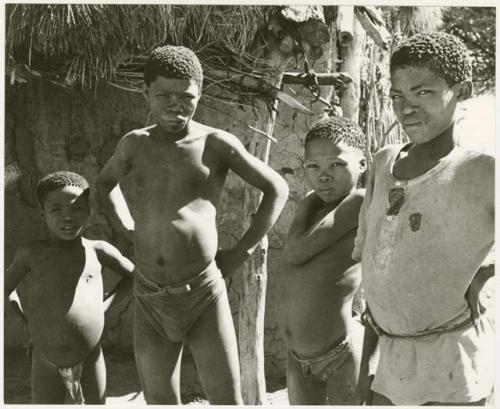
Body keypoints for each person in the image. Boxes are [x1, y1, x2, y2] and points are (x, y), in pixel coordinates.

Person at [96, 45, 289, 404]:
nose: (175, 105)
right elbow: (105, 185)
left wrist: (241, 252)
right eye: (163, 95)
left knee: (226, 398)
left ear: (199, 93)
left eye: (186, 97)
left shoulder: (215, 143)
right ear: (145, 93)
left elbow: (276, 187)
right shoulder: (135, 145)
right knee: (159, 399)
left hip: (202, 292)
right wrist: (127, 228)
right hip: (150, 294)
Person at [353, 32, 495, 406]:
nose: (407, 108)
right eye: (398, 97)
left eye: (423, 93)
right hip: (390, 357)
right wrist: (365, 368)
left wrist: (486, 272)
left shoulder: (480, 169)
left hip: (451, 357)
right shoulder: (384, 163)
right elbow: (375, 271)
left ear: (461, 89)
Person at [5, 171, 135, 404]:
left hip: (91, 356)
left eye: (77, 208)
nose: (68, 217)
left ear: (89, 212)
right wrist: (26, 322)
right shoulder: (31, 254)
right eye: (57, 210)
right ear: (42, 214)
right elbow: (5, 289)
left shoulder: (98, 250)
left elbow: (134, 276)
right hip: (45, 361)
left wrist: (105, 306)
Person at [278, 116, 366, 404]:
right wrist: (310, 202)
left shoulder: (358, 203)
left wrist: (307, 201)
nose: (324, 176)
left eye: (336, 164)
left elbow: (295, 252)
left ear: (362, 165)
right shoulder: (314, 207)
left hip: (338, 354)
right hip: (296, 357)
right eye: (313, 167)